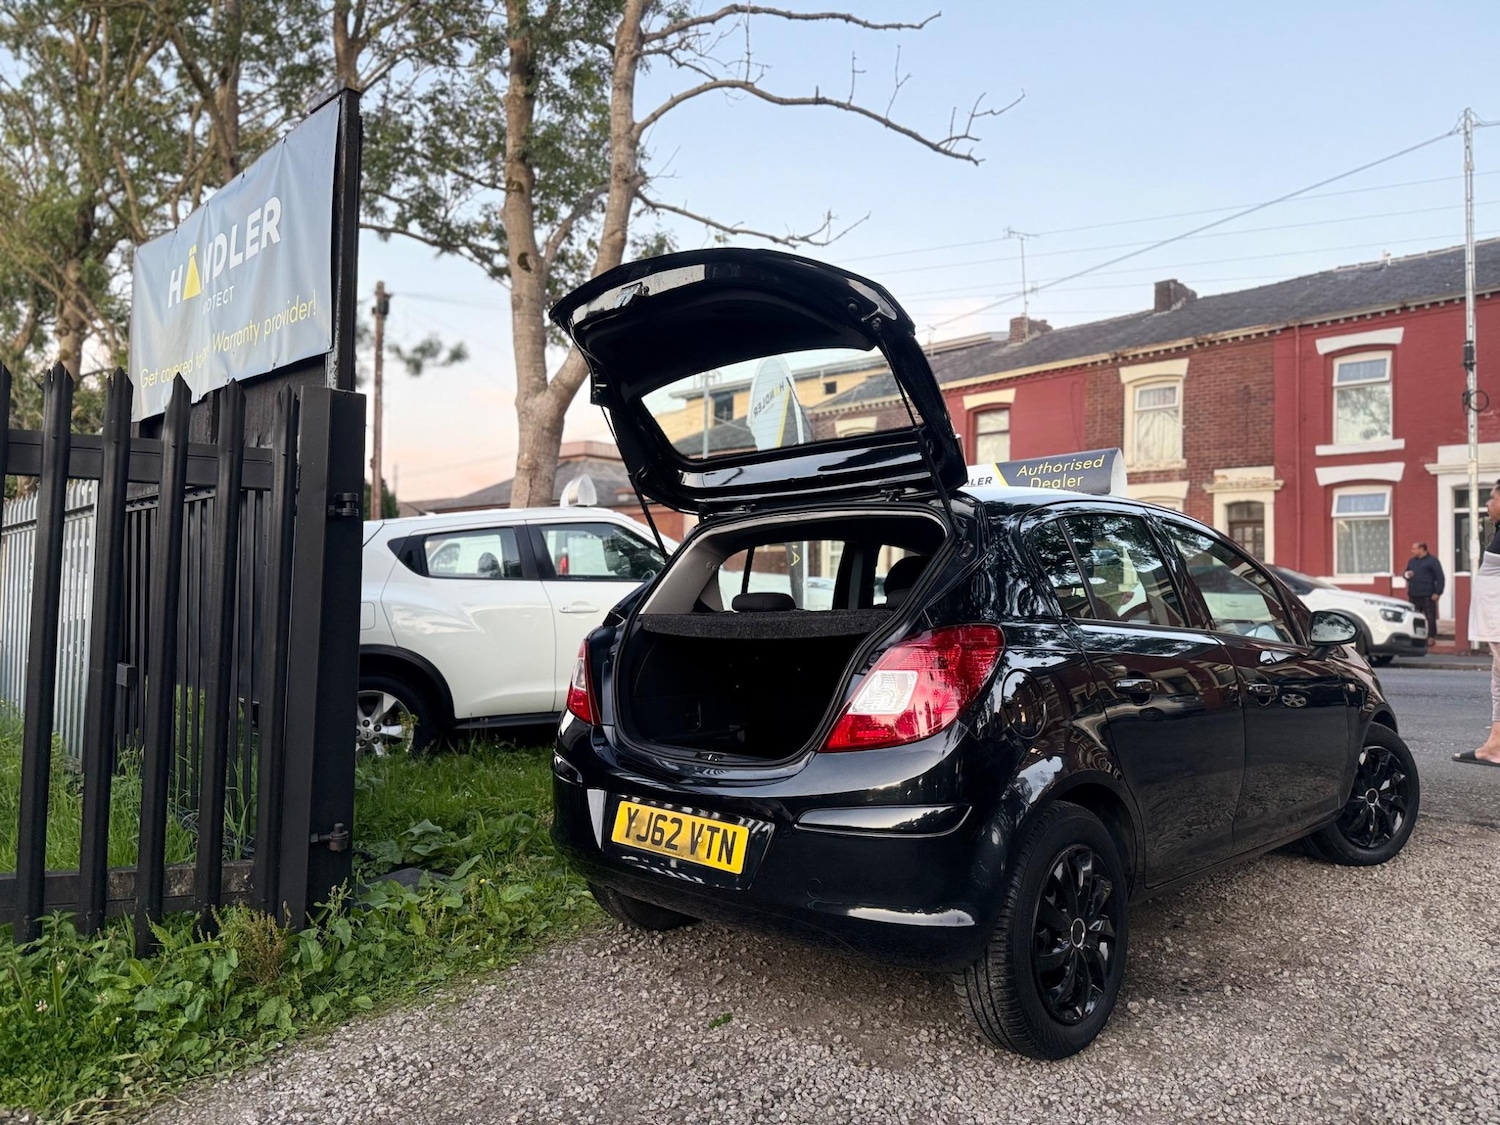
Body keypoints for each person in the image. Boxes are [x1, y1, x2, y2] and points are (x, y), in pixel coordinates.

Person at [1460, 480, 1500, 765]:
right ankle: (1494, 746)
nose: (1487, 503)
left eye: (1492, 498)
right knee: (1498, 679)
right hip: (1493, 619)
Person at [1403, 540, 1444, 646]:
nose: (1412, 551)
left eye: (1414, 549)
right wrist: (1407, 575)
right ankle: (1416, 636)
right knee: (1414, 617)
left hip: (1427, 594)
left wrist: (1438, 592)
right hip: (1413, 594)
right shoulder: (1412, 561)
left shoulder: (1432, 561)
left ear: (1422, 549)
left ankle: (1431, 636)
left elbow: (1440, 577)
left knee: (1430, 617)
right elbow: (1405, 574)